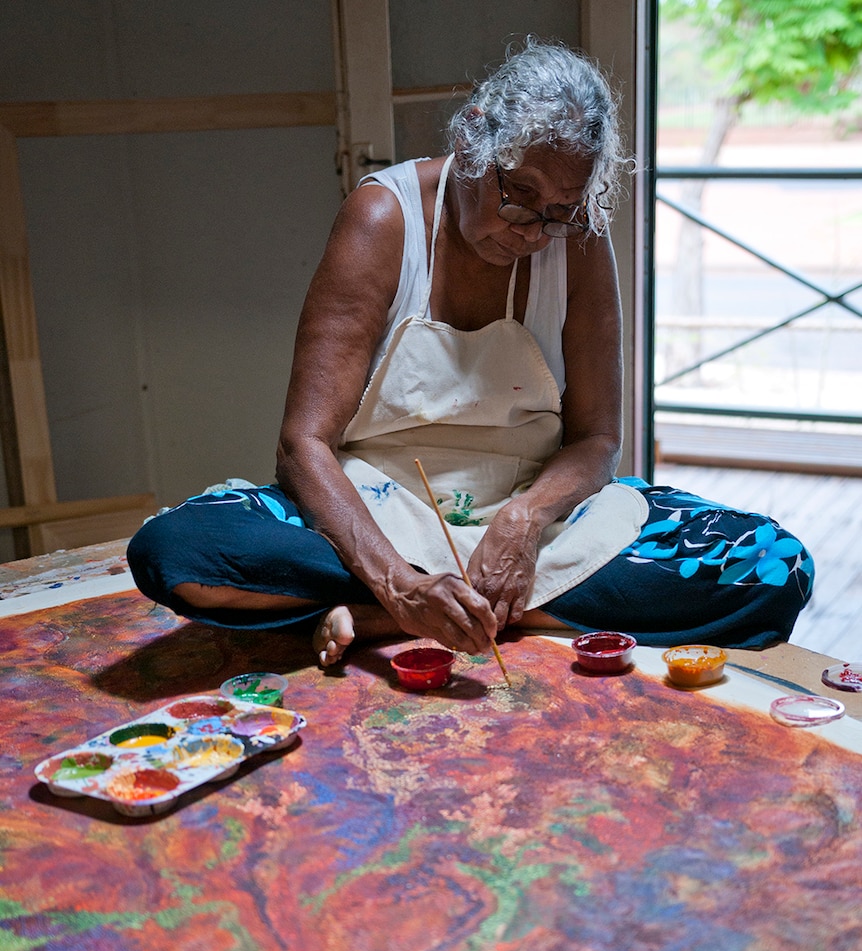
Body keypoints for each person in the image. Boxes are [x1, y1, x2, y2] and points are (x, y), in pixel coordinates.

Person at [127, 37, 814, 667]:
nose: (533, 231)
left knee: (773, 565)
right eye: (519, 195)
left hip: (533, 512)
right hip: (383, 503)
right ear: (472, 137)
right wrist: (397, 581)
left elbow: (599, 438)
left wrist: (523, 519)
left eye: (561, 208)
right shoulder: (382, 221)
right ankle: (432, 605)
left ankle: (390, 620)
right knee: (177, 552)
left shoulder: (578, 242)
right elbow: (304, 444)